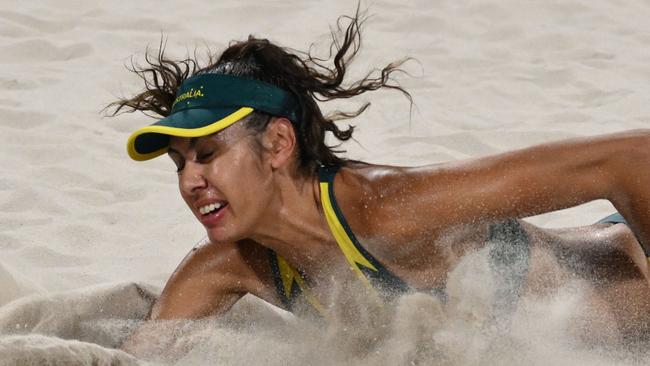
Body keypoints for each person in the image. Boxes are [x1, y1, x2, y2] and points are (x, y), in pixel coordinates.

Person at [111, 13, 650, 354]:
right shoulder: (228, 264)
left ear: (278, 144)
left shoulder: (386, 208)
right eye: (179, 163)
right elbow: (139, 354)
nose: (190, 181)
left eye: (207, 154)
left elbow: (631, 158)